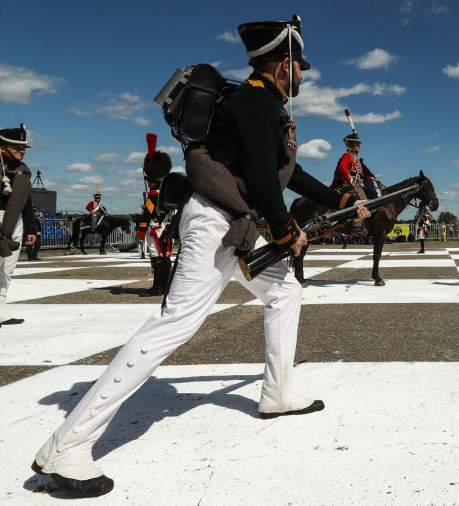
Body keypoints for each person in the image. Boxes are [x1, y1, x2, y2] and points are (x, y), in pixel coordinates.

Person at [32, 15, 371, 497]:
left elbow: (284, 173)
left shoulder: (261, 104)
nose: (304, 75)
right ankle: (68, 447)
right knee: (174, 325)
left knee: (285, 291)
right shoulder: (255, 101)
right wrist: (283, 230)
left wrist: (339, 200)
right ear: (283, 63)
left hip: (234, 225)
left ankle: (277, 392)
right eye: (300, 66)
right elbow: (259, 174)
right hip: (216, 223)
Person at [0, 123, 38, 326]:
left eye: (23, 148)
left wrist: (31, 229)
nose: (22, 151)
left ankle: (0, 310)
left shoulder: (23, 171)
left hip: (16, 221)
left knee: (8, 268)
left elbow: (27, 202)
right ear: (2, 146)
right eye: (17, 147)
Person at [138, 133, 174, 296]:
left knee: (156, 258)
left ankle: (157, 287)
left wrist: (140, 232)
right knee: (165, 257)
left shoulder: (153, 195)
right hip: (166, 230)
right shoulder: (167, 194)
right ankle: (166, 286)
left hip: (154, 231)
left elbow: (146, 216)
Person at [330, 129, 380, 199]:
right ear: (350, 146)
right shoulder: (347, 156)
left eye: (359, 144)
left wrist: (370, 177)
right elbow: (342, 167)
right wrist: (349, 178)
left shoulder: (355, 158)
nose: (359, 146)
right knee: (363, 199)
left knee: (373, 190)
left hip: (357, 184)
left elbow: (360, 175)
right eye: (356, 144)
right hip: (347, 184)